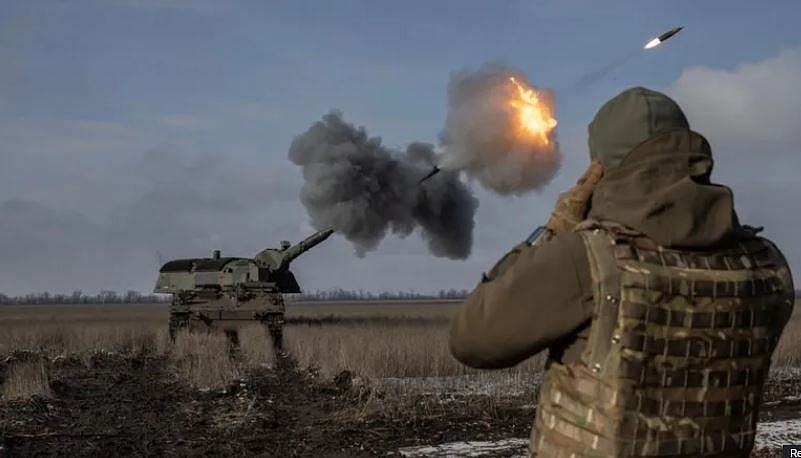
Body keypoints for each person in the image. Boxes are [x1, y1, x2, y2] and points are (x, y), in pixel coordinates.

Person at [449, 87, 795, 457]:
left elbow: (472, 339)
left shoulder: (587, 258)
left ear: (601, 170)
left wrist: (553, 231)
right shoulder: (766, 266)